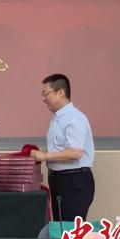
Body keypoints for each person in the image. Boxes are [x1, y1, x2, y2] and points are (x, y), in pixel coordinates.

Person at [31, 74, 95, 221]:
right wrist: (40, 152)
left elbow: (75, 153)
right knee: (61, 228)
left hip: (74, 181)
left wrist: (45, 156)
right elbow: (60, 148)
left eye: (46, 94)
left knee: (70, 229)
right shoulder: (57, 118)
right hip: (59, 181)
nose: (43, 99)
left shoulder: (74, 118)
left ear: (60, 92)